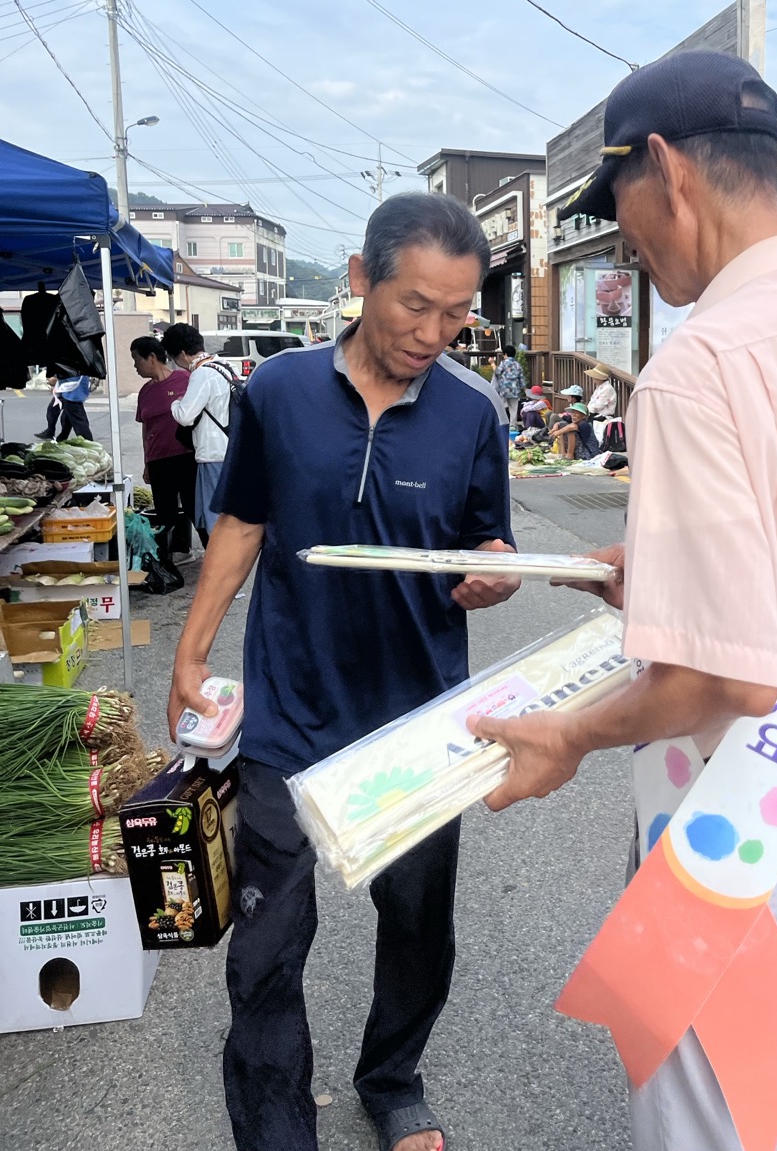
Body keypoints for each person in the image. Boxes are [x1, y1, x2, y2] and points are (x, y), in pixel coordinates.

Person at [469, 50, 777, 1151]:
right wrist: (667, 576)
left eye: (619, 200)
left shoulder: (699, 369)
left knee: (716, 1135)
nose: (621, 234)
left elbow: (714, 677)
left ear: (669, 170)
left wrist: (569, 738)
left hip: (749, 834)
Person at [167, 193, 520, 1151]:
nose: (433, 333)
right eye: (414, 305)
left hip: (417, 721)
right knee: (268, 947)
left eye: (457, 314)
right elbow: (241, 521)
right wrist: (191, 652)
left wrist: (490, 574)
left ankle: (392, 1080)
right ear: (360, 279)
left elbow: (488, 540)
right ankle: (278, 1131)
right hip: (290, 711)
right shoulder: (277, 391)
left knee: (416, 925)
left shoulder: (472, 415)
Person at [161, 323, 233, 546]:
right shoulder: (225, 366)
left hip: (213, 454)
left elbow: (185, 415)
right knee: (226, 516)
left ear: (182, 353)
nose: (177, 364)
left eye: (175, 359)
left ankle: (222, 570)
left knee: (215, 520)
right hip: (231, 449)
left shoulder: (202, 373)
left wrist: (175, 402)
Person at [131, 336, 197, 562]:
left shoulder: (185, 379)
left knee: (193, 507)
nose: (135, 366)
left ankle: (200, 552)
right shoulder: (145, 392)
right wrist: (147, 462)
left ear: (152, 357)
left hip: (186, 456)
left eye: (137, 360)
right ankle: (170, 554)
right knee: (165, 511)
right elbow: (145, 428)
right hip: (158, 459)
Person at [493, 343, 526, 424]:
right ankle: (513, 426)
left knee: (501, 408)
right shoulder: (518, 365)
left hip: (504, 390)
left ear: (506, 354)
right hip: (515, 391)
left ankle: (502, 423)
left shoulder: (504, 363)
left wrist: (492, 363)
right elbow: (521, 379)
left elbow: (497, 372)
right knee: (514, 409)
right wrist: (524, 389)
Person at [55, 375, 92, 441]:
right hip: (73, 389)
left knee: (78, 419)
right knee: (66, 417)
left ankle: (88, 443)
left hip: (72, 390)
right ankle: (61, 438)